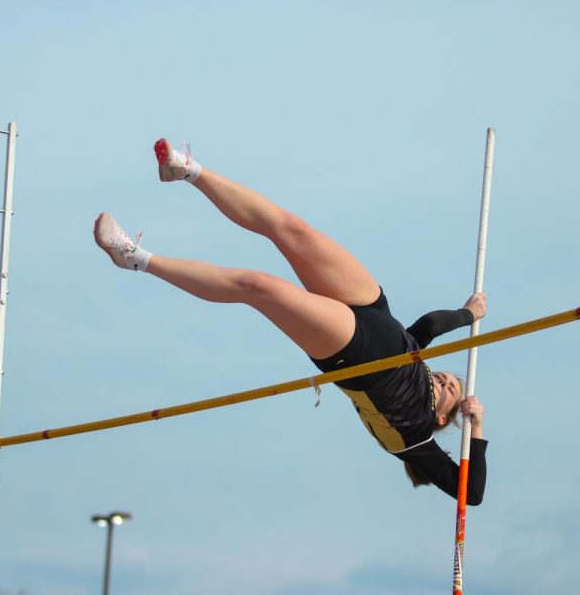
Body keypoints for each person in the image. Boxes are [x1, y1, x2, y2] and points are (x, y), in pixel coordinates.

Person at [93, 139, 488, 504]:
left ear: (442, 418)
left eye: (452, 389)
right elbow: (431, 325)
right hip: (374, 309)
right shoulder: (416, 357)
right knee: (292, 228)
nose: (446, 380)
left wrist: (477, 425)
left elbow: (470, 493)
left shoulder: (415, 439)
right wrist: (468, 314)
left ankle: (135, 258)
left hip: (355, 356)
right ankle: (188, 171)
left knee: (257, 286)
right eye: (449, 376)